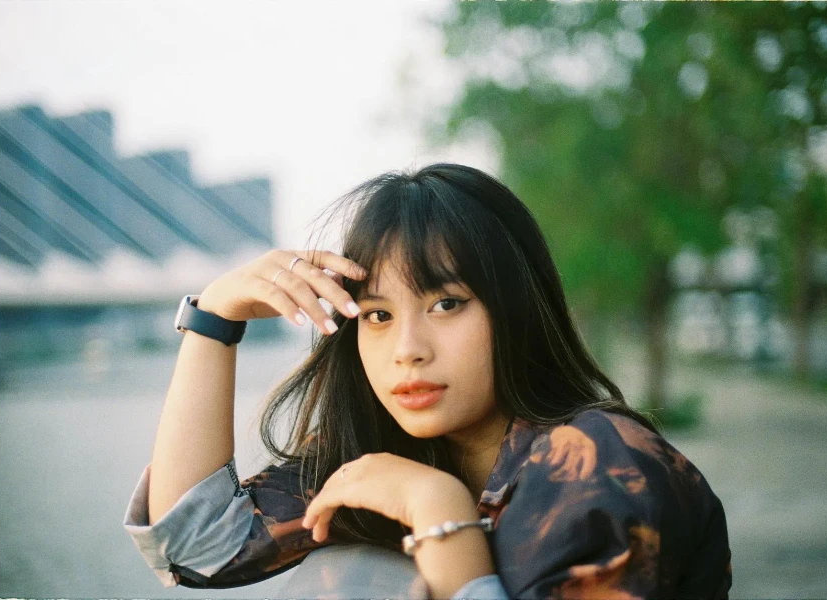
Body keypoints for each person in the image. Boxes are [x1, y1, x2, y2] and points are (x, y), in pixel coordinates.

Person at [124, 163, 732, 599]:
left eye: (446, 304)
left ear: (515, 308)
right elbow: (195, 545)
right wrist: (214, 319)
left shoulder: (597, 462)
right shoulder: (385, 455)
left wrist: (439, 515)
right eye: (379, 316)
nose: (407, 351)